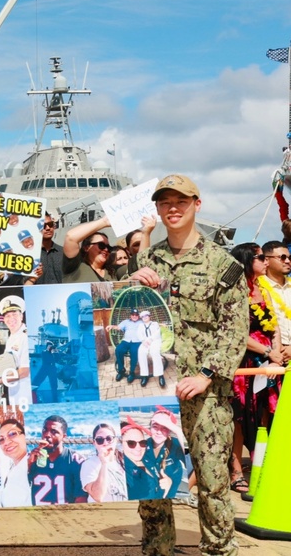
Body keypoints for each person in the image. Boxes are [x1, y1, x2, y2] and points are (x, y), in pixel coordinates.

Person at [129, 174, 248, 556]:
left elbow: (234, 328)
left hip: (206, 395)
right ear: (158, 209)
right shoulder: (147, 259)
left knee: (212, 483)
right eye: (165, 203)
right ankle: (157, 550)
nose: (173, 208)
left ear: (197, 203)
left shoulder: (222, 264)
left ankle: (218, 550)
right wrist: (130, 284)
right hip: (153, 390)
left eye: (181, 201)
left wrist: (206, 375)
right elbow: (124, 315)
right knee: (152, 481)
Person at [228, 242, 282, 491]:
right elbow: (238, 333)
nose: (265, 261)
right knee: (240, 417)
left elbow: (275, 324)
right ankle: (236, 470)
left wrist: (277, 352)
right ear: (247, 260)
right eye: (260, 257)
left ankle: (261, 467)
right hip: (245, 361)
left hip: (268, 362)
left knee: (264, 414)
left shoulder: (263, 287)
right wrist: (268, 352)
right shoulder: (237, 291)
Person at [27, 415, 86, 505]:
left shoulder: (75, 461)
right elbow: (19, 489)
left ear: (64, 436)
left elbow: (81, 498)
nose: (47, 435)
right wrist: (28, 465)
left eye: (54, 432)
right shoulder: (32, 458)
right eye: (45, 430)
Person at [0, 295, 32, 407]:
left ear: (21, 316)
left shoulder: (25, 336)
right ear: (3, 319)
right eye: (7, 315)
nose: (11, 318)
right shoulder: (11, 337)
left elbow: (24, 371)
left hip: (25, 392)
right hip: (14, 390)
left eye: (14, 314)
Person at [80, 423, 127, 503]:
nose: (105, 443)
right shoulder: (89, 465)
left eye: (109, 438)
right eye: (100, 440)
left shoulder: (125, 461)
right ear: (94, 443)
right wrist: (104, 463)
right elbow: (98, 496)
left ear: (115, 440)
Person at [61, 216, 116, 284]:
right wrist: (104, 222)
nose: (106, 249)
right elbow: (70, 237)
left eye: (109, 247)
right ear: (86, 247)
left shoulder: (113, 272)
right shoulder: (75, 266)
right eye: (101, 245)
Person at [145, 408, 186, 499]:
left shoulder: (175, 444)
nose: (159, 432)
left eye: (165, 427)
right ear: (150, 428)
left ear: (170, 430)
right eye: (155, 426)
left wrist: (178, 431)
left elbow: (191, 460)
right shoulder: (141, 446)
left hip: (170, 489)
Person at [0, 418, 31, 508]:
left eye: (12, 434)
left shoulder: (34, 466)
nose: (6, 442)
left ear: (25, 436)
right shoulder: (10, 468)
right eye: (1, 439)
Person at [121, 419, 158, 500]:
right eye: (131, 443)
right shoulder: (123, 471)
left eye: (142, 442)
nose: (138, 448)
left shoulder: (146, 459)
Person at [109, 309, 145, 384]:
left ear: (138, 316)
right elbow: (118, 327)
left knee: (134, 352)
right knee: (118, 350)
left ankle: (132, 373)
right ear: (130, 315)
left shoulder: (142, 322)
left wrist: (160, 324)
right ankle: (121, 370)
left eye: (136, 315)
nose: (134, 316)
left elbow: (150, 323)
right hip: (126, 341)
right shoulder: (126, 322)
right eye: (133, 314)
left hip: (137, 342)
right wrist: (111, 326)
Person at [136, 310, 166, 388]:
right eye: (143, 316)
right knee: (141, 352)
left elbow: (157, 333)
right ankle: (144, 375)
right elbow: (139, 334)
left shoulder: (155, 324)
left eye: (146, 316)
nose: (145, 317)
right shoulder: (140, 326)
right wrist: (143, 341)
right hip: (145, 341)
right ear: (141, 318)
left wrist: (150, 339)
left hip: (155, 341)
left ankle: (160, 375)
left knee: (155, 352)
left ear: (149, 316)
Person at [36, 213, 64, 285]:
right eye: (43, 226)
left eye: (50, 224)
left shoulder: (63, 252)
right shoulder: (30, 256)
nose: (48, 228)